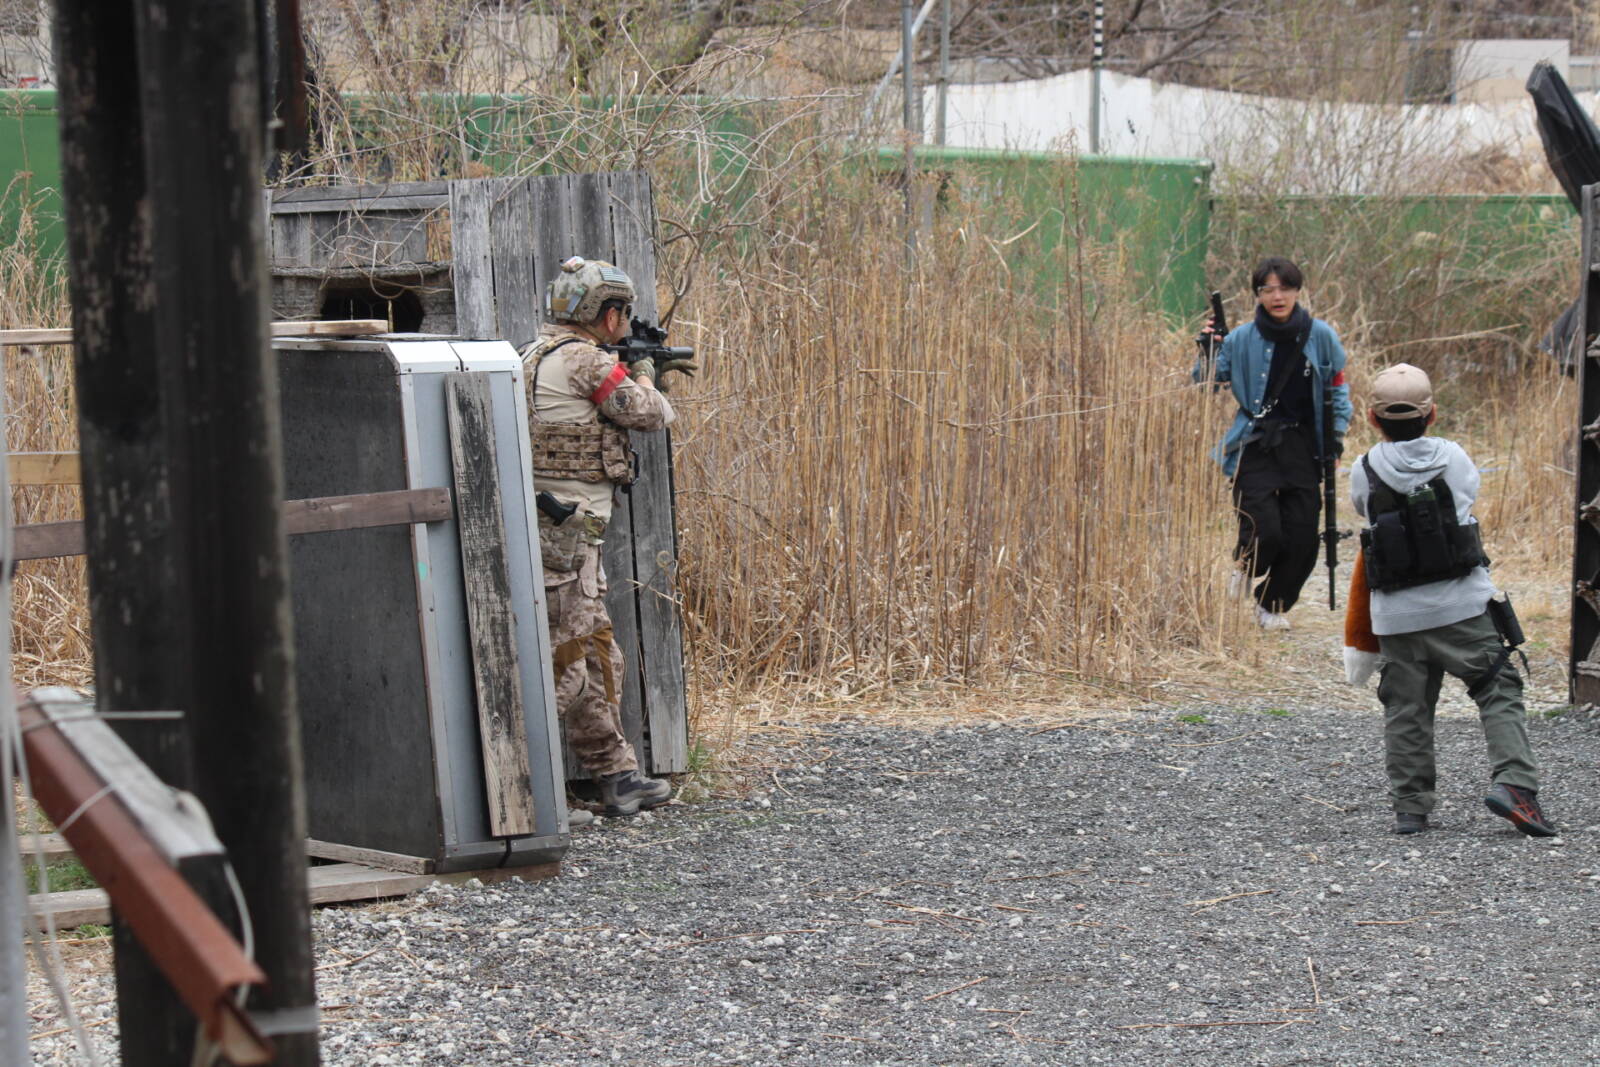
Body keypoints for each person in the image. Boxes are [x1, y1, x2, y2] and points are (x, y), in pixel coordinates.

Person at [1350, 363, 1554, 837]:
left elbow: (1364, 509)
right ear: (1433, 414)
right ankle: (1515, 786)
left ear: (1373, 418)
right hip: (1463, 606)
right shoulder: (1455, 457)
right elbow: (1468, 498)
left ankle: (1411, 809)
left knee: (1406, 707)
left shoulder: (1364, 468)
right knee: (1497, 688)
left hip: (1396, 615)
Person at [520, 256, 691, 821]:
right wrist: (643, 371)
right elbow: (650, 413)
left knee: (596, 655)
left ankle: (616, 776)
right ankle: (522, 796)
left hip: (563, 533)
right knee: (566, 664)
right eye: (621, 313)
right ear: (609, 314)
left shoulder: (533, 353)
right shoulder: (584, 361)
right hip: (565, 540)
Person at [1195, 257, 1351, 629]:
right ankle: (1247, 564)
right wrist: (1209, 347)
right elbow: (1206, 383)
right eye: (1267, 289)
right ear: (1258, 294)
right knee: (1264, 528)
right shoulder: (1241, 339)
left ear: (1297, 291)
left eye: (1284, 288)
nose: (1277, 296)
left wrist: (1335, 442)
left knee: (1302, 538)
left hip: (1303, 444)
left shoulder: (1321, 336)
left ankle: (1272, 605)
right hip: (1255, 442)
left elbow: (1338, 390)